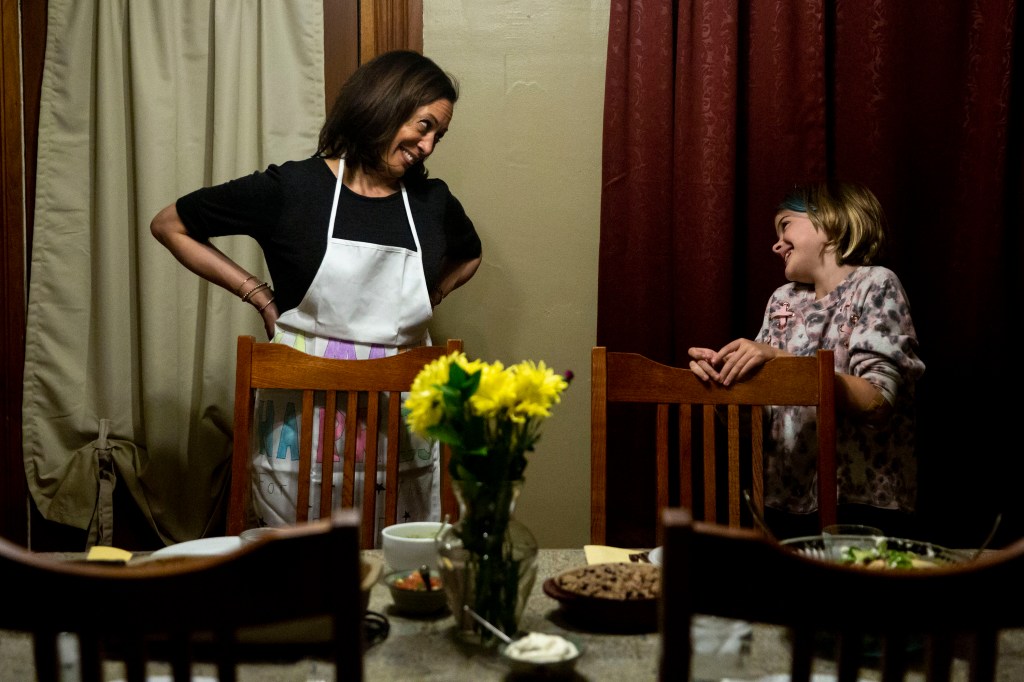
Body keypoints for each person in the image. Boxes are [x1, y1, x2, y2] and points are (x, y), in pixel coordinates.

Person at [151, 50, 482, 536]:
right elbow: (170, 225)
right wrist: (258, 295)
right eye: (424, 126)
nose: (428, 146)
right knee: (299, 567)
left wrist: (428, 298)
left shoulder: (432, 203)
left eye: (439, 136)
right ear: (384, 106)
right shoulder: (294, 188)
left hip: (402, 429)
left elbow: (470, 254)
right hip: (300, 426)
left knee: (402, 557)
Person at [687, 181, 924, 539]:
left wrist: (780, 360)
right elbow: (761, 417)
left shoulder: (876, 284)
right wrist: (727, 386)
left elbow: (877, 401)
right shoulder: (782, 301)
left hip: (861, 504)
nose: (777, 244)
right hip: (782, 502)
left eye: (785, 226)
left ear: (831, 222)